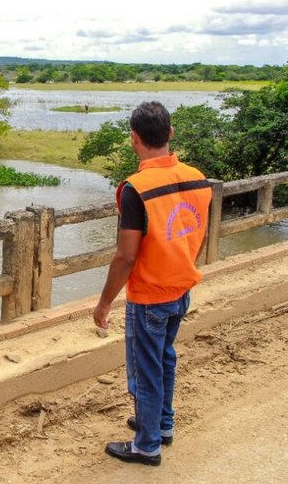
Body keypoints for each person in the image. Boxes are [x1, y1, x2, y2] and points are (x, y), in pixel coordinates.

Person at [92, 101, 212, 466]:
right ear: (170, 134)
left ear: (134, 139)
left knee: (145, 369)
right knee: (164, 359)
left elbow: (126, 256)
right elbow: (197, 234)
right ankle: (161, 423)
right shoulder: (196, 177)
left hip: (149, 295)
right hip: (181, 287)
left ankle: (146, 445)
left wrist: (103, 304)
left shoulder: (136, 188)